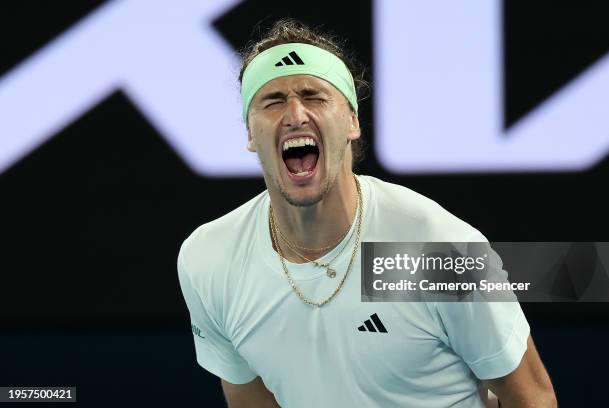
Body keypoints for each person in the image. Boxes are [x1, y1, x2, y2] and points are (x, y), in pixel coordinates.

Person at [177, 19, 557, 407]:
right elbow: (249, 400)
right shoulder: (210, 258)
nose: (294, 114)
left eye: (314, 96)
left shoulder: (433, 249)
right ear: (249, 134)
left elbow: (531, 396)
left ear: (352, 122)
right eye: (272, 101)